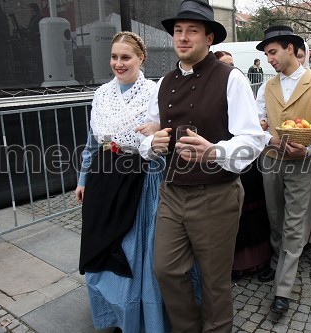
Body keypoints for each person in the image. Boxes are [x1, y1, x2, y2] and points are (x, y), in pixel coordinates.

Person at [139, 1, 265, 331]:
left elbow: (253, 139)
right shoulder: (163, 83)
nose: (183, 37)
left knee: (214, 283)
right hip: (172, 192)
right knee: (165, 269)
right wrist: (151, 143)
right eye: (178, 31)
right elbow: (147, 130)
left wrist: (215, 152)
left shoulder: (231, 78)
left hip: (216, 194)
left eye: (192, 31)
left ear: (209, 38)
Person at [75, 31, 167, 332]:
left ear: (141, 58)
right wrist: (83, 178)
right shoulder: (101, 95)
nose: (118, 63)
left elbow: (163, 143)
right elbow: (92, 142)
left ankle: (140, 320)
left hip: (139, 181)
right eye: (114, 56)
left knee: (132, 252)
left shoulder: (155, 94)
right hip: (103, 178)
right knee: (101, 245)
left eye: (125, 57)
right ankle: (111, 315)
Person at [255, 25, 311, 314]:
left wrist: (309, 149)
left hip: (302, 165)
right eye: (267, 54)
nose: (269, 59)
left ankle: (283, 289)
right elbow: (257, 124)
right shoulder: (267, 86)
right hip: (270, 162)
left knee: (293, 225)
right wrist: (269, 137)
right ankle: (277, 263)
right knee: (275, 218)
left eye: (273, 52)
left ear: (291, 49)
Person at [215, 50, 272, 278]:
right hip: (221, 157)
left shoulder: (240, 87)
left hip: (246, 158)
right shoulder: (212, 91)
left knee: (253, 208)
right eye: (224, 64)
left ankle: (255, 259)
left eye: (232, 64)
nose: (230, 68)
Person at [26, 3, 44, 81]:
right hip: (34, 42)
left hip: (37, 43)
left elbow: (38, 31)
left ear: (33, 9)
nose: (28, 11)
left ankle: (40, 77)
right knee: (35, 60)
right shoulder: (33, 18)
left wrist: (31, 32)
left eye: (29, 9)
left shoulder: (39, 18)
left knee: (38, 60)